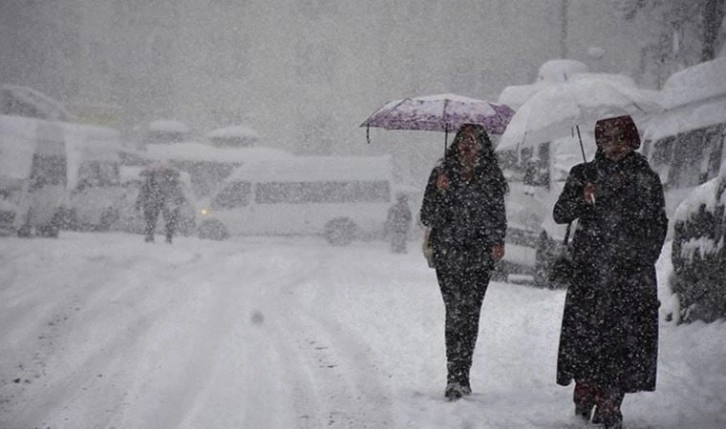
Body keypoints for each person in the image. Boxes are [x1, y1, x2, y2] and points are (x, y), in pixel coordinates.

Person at [553, 115, 668, 429]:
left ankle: (610, 403)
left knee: (622, 343)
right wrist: (581, 197)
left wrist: (639, 258)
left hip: (630, 277)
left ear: (631, 140)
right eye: (607, 139)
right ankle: (585, 390)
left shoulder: (645, 178)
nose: (614, 146)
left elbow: (657, 226)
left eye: (620, 138)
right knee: (587, 339)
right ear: (598, 142)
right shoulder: (584, 173)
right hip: (590, 275)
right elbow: (560, 214)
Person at [420, 123, 507, 401]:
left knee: (470, 314)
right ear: (456, 144)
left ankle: (463, 373)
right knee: (455, 311)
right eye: (463, 140)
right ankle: (454, 376)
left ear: (483, 146)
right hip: (448, 254)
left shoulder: (491, 177)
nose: (467, 145)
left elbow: (497, 215)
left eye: (474, 140)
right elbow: (426, 216)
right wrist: (440, 191)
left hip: (479, 256)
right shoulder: (441, 174)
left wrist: (497, 241)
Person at [136, 166, 186, 244]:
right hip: (162, 203)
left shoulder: (150, 181)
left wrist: (139, 203)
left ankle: (152, 237)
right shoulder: (172, 182)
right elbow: (179, 193)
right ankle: (165, 237)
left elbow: (142, 193)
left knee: (152, 220)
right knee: (166, 221)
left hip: (155, 203)